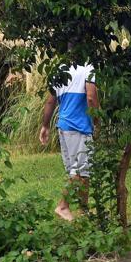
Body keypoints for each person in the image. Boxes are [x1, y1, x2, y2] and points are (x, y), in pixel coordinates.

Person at [39, 65, 99, 221]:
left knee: (83, 173)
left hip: (63, 127)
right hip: (79, 127)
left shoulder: (59, 69)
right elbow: (91, 97)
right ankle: (63, 206)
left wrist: (45, 125)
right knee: (78, 172)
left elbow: (50, 102)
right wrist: (97, 122)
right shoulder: (88, 68)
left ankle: (83, 210)